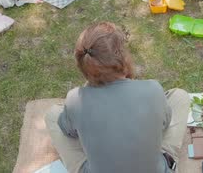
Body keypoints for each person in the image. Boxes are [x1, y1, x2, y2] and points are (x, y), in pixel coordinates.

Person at [45, 22, 190, 173]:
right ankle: (168, 162)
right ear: (123, 58)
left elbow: (69, 131)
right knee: (180, 97)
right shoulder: (153, 89)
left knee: (52, 115)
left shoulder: (75, 99)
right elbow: (164, 125)